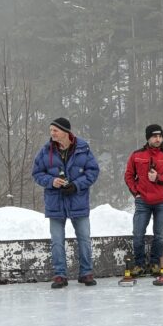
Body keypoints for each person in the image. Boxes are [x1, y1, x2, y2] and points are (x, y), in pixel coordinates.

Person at [31, 117, 101, 288]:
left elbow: (93, 172)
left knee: (84, 238)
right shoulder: (45, 150)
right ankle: (60, 275)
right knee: (57, 240)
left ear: (65, 132)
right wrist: (51, 181)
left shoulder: (83, 149)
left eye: (55, 130)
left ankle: (86, 273)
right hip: (55, 202)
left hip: (78, 201)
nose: (52, 133)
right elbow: (37, 173)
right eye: (50, 131)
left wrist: (76, 185)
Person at [124, 124, 163, 276]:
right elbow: (129, 175)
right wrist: (135, 192)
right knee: (137, 234)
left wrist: (158, 177)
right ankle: (139, 264)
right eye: (154, 136)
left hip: (162, 201)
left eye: (160, 136)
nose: (158, 139)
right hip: (142, 200)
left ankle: (156, 264)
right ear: (148, 138)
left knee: (159, 234)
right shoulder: (136, 155)